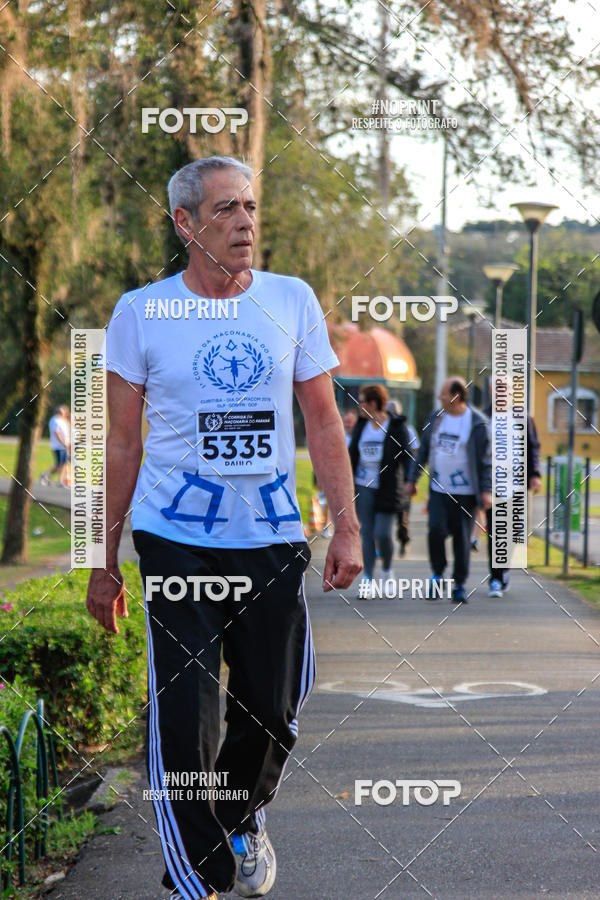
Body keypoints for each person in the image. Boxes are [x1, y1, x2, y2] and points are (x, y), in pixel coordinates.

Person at [86, 156, 362, 900]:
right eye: (225, 210)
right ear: (184, 224)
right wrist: (103, 555)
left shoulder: (290, 300)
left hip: (271, 538)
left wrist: (346, 528)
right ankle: (195, 877)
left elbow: (324, 419)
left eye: (250, 207)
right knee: (187, 718)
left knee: (276, 704)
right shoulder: (141, 313)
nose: (244, 223)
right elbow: (119, 442)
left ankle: (241, 818)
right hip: (175, 540)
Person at [405, 376, 492, 604]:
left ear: (455, 396)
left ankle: (459, 585)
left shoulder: (477, 422)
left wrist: (486, 490)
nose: (438, 396)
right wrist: (412, 479)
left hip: (466, 493)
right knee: (435, 531)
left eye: (443, 393)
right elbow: (423, 451)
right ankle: (438, 574)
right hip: (438, 490)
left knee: (462, 540)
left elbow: (486, 461)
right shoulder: (436, 418)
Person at [348, 384, 411, 597]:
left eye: (362, 401)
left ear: (373, 403)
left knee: (383, 533)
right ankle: (367, 579)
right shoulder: (361, 426)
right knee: (367, 533)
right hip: (363, 485)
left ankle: (387, 570)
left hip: (387, 487)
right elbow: (351, 455)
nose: (359, 405)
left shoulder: (395, 427)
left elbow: (407, 456)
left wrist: (410, 481)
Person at [485, 405, 542, 598]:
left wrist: (535, 474)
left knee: (511, 531)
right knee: (494, 531)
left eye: (504, 388)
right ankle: (496, 578)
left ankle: (504, 568)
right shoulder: (484, 416)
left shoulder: (522, 417)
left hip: (516, 484)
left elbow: (533, 446)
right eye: (497, 387)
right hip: (492, 484)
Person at [386, 399, 418, 555]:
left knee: (402, 514)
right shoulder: (384, 427)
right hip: (387, 477)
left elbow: (414, 452)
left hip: (403, 476)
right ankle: (381, 545)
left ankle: (403, 540)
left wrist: (411, 478)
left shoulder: (407, 429)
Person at [40, 405, 71, 486]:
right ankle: (45, 474)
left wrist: (68, 444)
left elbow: (66, 433)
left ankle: (60, 481)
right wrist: (63, 443)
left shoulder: (63, 421)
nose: (66, 414)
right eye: (65, 412)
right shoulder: (54, 420)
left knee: (64, 463)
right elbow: (57, 433)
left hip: (65, 445)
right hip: (58, 446)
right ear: (61, 412)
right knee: (58, 464)